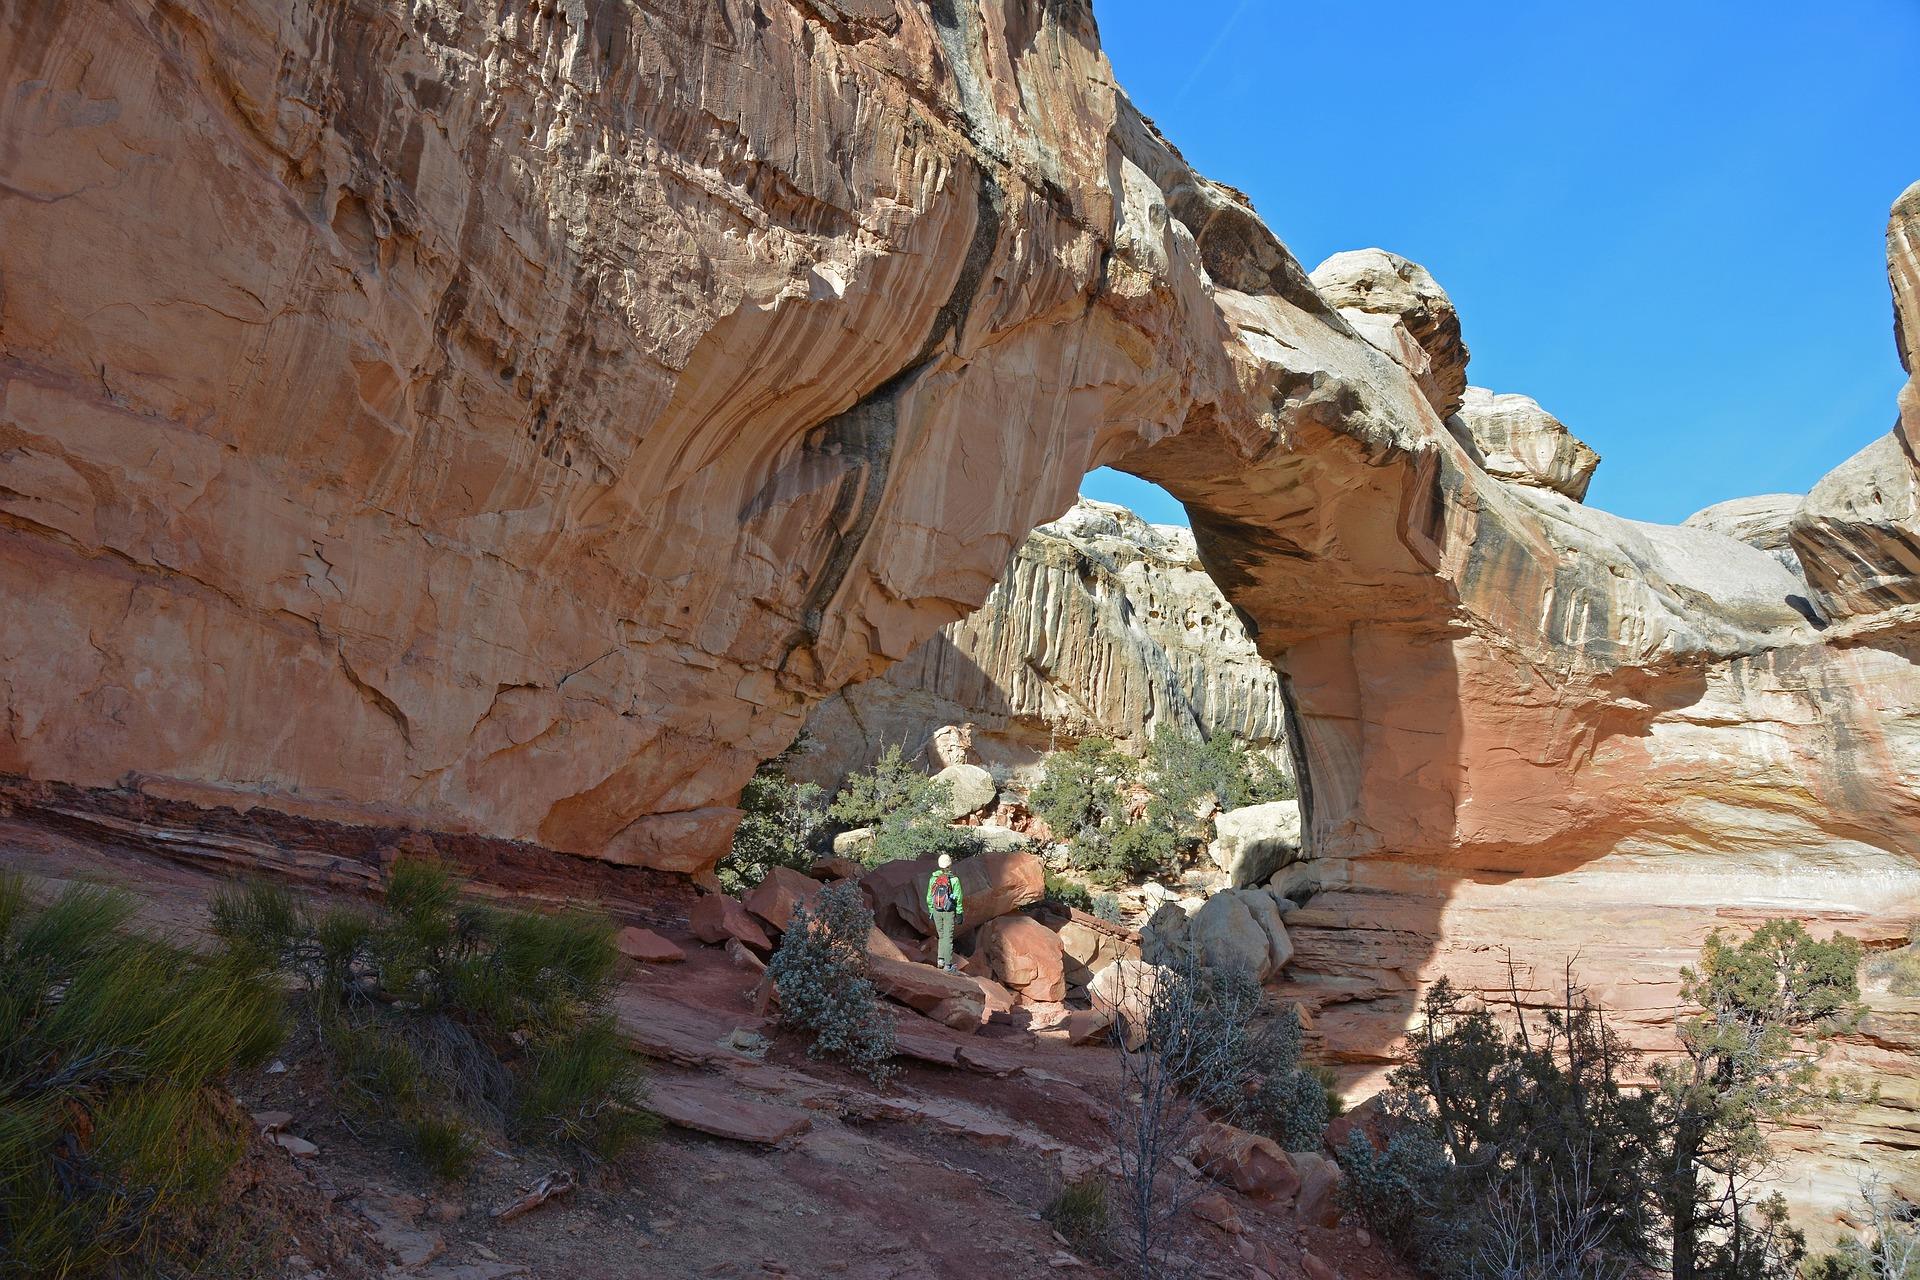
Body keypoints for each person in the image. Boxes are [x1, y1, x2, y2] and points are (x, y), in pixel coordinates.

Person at [925, 853, 964, 971]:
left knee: (941, 936)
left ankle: (940, 960)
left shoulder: (933, 879)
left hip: (936, 910)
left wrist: (931, 910)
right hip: (949, 911)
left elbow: (929, 897)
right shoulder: (954, 880)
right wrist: (959, 913)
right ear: (950, 865)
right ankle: (948, 965)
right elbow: (958, 897)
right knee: (948, 937)